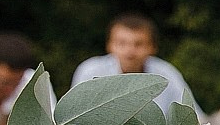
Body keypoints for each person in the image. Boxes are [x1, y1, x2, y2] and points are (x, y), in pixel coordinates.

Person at [71, 12, 203, 117]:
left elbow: (192, 116)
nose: (130, 51)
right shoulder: (90, 71)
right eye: (122, 43)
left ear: (152, 47)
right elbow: (74, 121)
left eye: (138, 44)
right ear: (109, 45)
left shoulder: (166, 74)